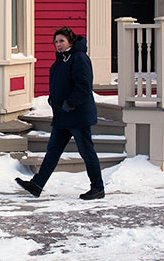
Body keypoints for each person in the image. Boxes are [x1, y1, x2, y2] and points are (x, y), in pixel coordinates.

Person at [16, 26, 105, 200]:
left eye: (62, 41)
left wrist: (70, 103)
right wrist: (53, 100)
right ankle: (37, 184)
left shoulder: (79, 58)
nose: (58, 45)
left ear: (70, 41)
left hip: (77, 114)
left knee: (87, 152)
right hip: (63, 115)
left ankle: (98, 188)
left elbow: (84, 85)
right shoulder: (61, 60)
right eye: (56, 42)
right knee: (53, 151)